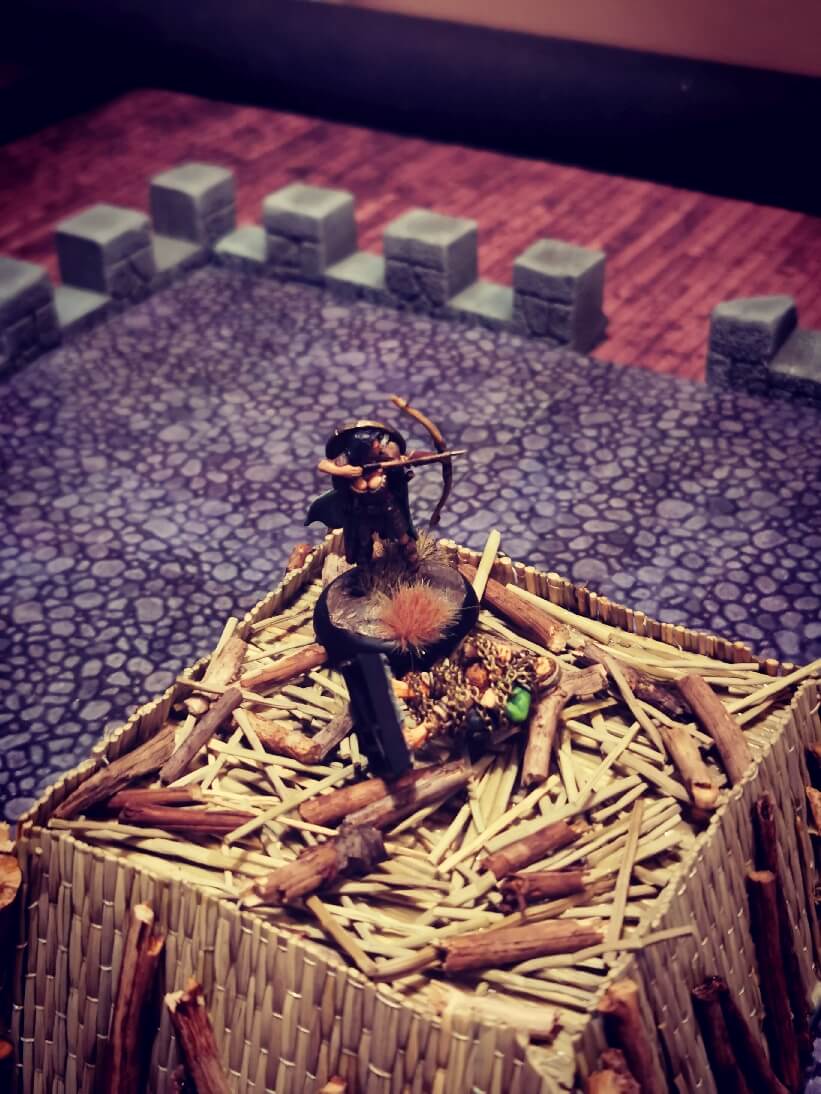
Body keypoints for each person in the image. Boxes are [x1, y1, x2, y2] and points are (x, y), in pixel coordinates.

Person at [306, 420, 420, 569]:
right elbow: (323, 464)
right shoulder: (348, 458)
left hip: (388, 508)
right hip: (360, 512)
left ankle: (413, 565)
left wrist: (401, 460)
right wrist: (343, 471)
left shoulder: (384, 452)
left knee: (403, 537)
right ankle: (363, 574)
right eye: (375, 442)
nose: (379, 444)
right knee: (362, 545)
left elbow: (402, 458)